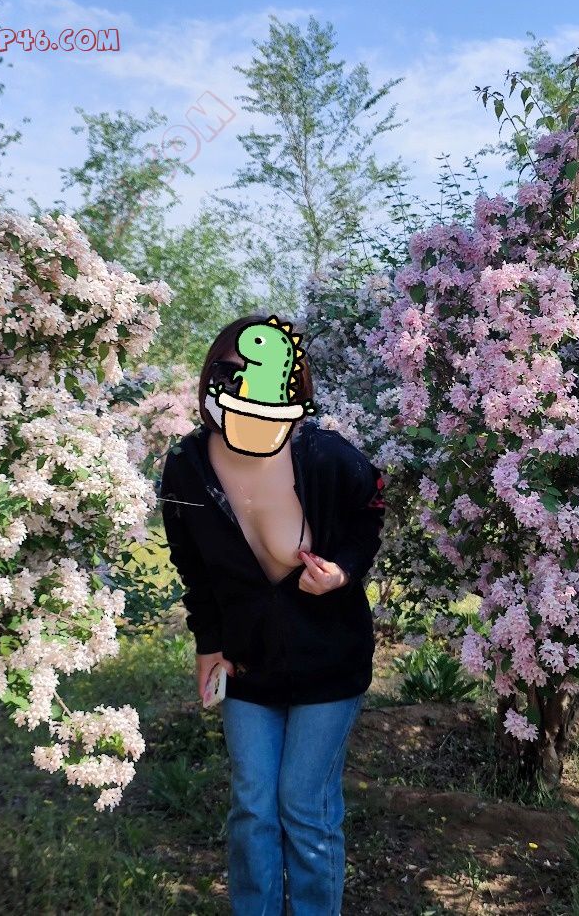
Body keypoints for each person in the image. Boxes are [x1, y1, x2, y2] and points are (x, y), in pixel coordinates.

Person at [158, 314, 386, 916]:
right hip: (247, 664)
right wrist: (208, 643)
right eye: (230, 372)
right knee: (254, 806)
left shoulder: (326, 456)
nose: (244, 387)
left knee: (304, 807)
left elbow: (369, 512)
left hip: (329, 659)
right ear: (211, 377)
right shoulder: (187, 467)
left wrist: (342, 571)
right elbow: (192, 565)